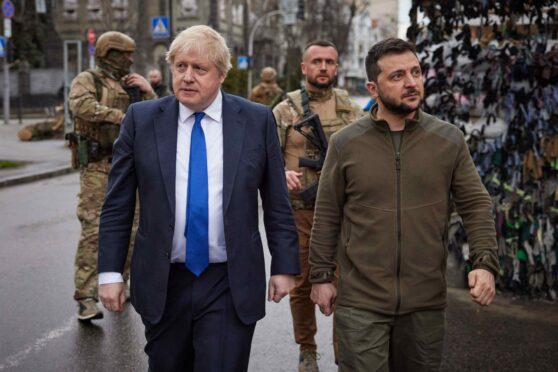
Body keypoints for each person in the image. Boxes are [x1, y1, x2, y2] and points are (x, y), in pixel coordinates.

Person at [97, 25, 300, 371]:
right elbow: (117, 204)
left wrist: (284, 264)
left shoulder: (255, 120)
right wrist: (110, 272)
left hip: (228, 279)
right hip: (164, 279)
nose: (187, 77)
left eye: (199, 69)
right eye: (180, 67)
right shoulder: (142, 120)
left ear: (221, 74)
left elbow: (276, 200)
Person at [309, 38, 500, 372]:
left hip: (424, 302)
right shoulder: (346, 144)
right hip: (361, 302)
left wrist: (484, 262)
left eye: (416, 72)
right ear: (373, 87)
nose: (412, 82)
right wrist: (321, 276)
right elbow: (327, 212)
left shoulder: (447, 140)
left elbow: (475, 204)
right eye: (397, 76)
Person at [273, 40, 362, 372]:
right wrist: (281, 174)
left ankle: (343, 352)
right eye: (317, 61)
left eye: (330, 61)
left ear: (337, 68)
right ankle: (307, 348)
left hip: (343, 212)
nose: (323, 67)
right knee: (302, 283)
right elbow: (266, 157)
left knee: (346, 283)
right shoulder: (285, 110)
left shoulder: (350, 110)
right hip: (300, 209)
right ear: (304, 68)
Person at [68, 31, 156, 321]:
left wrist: (148, 91)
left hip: (129, 165)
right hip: (98, 166)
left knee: (132, 229)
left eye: (131, 54)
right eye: (124, 54)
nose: (130, 59)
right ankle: (86, 297)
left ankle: (121, 281)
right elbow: (81, 107)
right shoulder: (88, 79)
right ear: (108, 53)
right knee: (94, 231)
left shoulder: (130, 84)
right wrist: (123, 117)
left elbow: (159, 114)